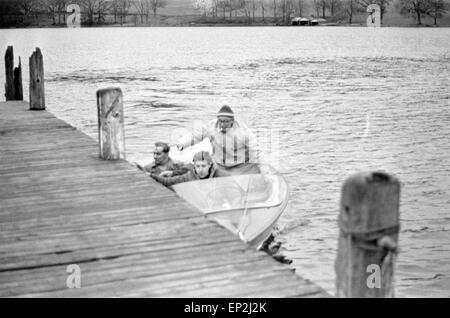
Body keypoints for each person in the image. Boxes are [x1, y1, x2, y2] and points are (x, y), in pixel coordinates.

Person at [175, 105, 260, 175]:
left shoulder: (243, 131)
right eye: (220, 121)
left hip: (239, 166)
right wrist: (181, 143)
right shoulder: (211, 126)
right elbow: (196, 136)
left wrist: (254, 165)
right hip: (219, 165)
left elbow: (254, 149)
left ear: (232, 121)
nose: (222, 124)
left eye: (226, 121)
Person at [150, 151, 227, 187]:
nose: (200, 170)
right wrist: (151, 176)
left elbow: (234, 192)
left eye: (203, 166)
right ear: (194, 166)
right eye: (198, 166)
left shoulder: (221, 176)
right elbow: (168, 181)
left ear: (210, 165)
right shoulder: (190, 176)